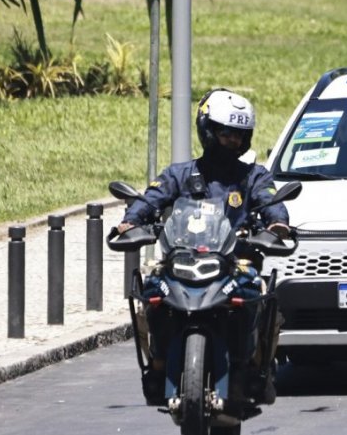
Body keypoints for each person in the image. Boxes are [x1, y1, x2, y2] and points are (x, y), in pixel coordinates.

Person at [116, 88, 289, 406]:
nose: (233, 141)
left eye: (239, 135)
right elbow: (153, 196)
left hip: (236, 263)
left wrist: (276, 224)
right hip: (181, 260)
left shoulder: (253, 176)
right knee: (149, 292)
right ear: (207, 130)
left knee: (263, 295)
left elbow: (270, 200)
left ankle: (256, 367)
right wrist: (133, 220)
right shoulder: (179, 174)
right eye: (225, 133)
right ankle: (157, 364)